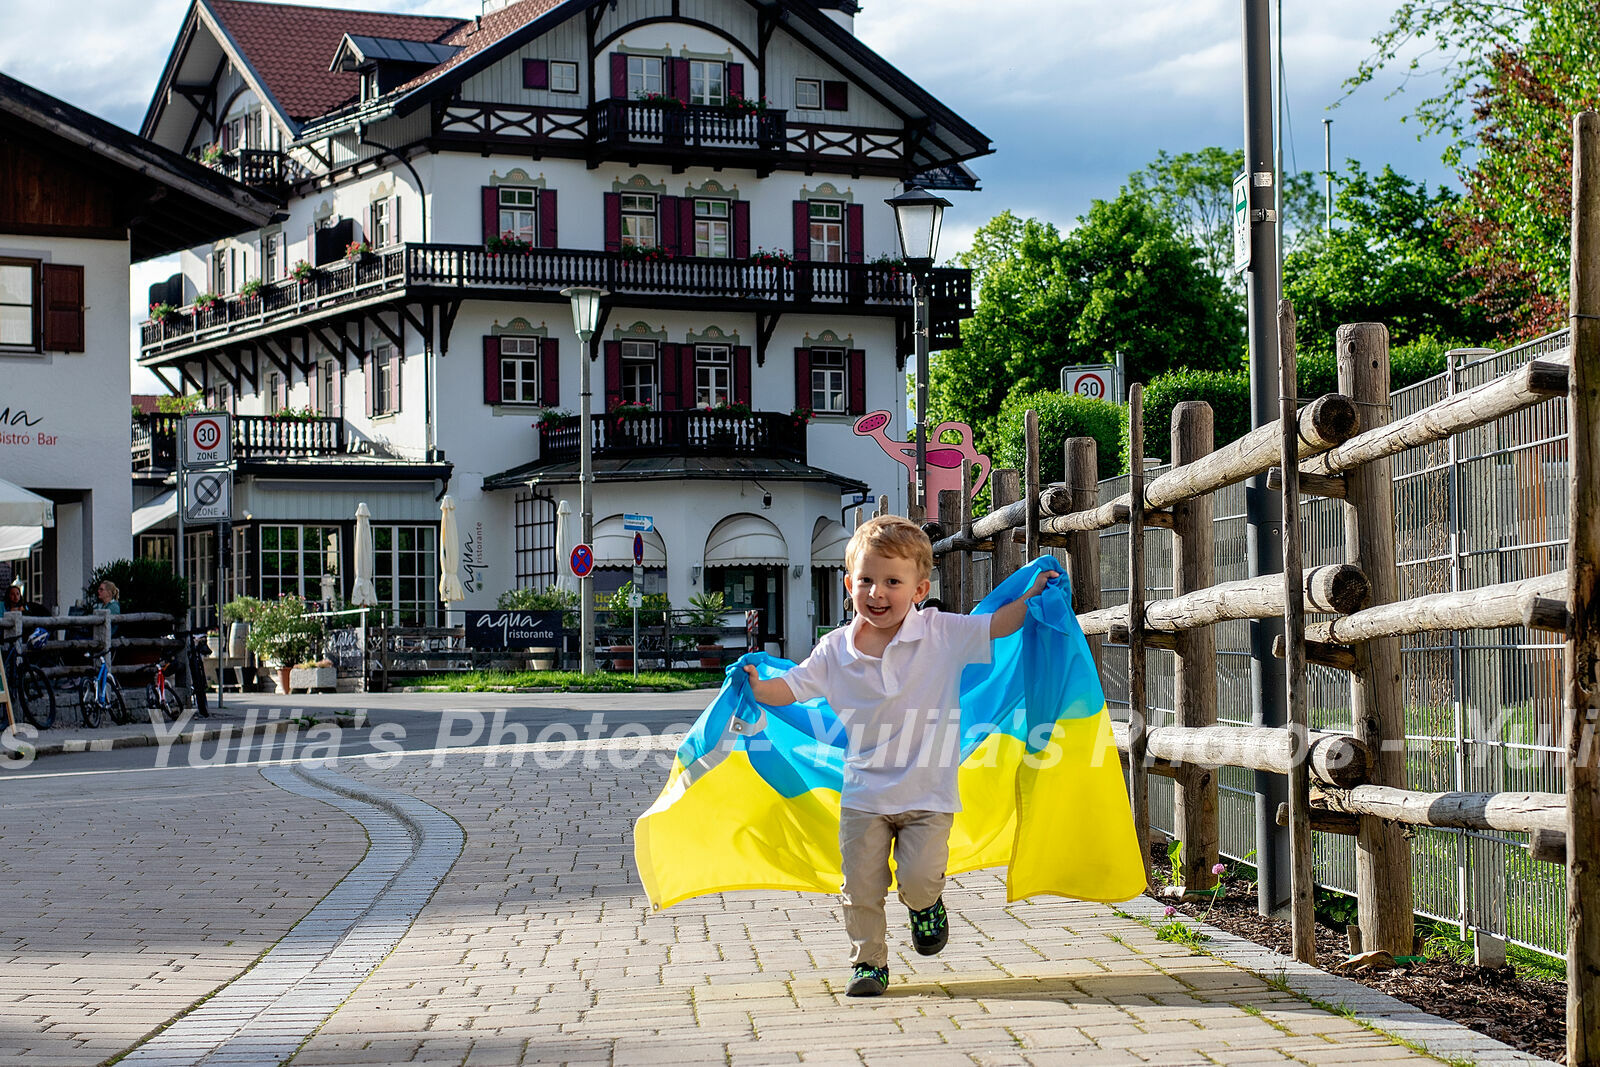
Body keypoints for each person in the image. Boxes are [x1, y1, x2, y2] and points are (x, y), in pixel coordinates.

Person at [742, 515, 1055, 998]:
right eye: (865, 580)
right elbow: (794, 687)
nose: (877, 592)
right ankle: (868, 962)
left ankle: (925, 905)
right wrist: (759, 688)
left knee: (918, 878)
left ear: (919, 589)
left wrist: (1030, 596)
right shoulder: (833, 651)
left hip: (928, 793)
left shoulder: (940, 634)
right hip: (863, 795)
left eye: (892, 581)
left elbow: (995, 625)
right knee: (860, 887)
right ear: (848, 584)